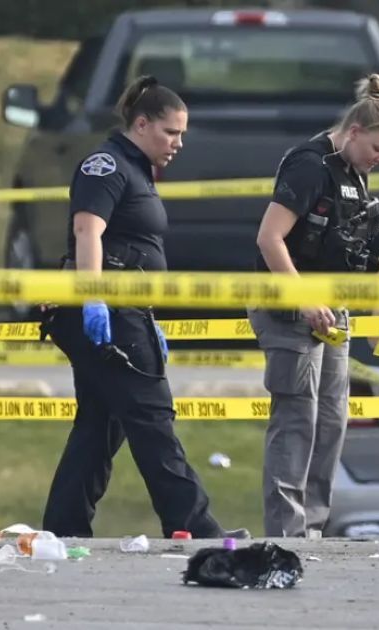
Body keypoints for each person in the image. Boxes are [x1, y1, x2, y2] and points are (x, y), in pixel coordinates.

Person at [40, 75, 238, 540]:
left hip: (128, 310)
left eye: (182, 134)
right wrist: (93, 299)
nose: (179, 143)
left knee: (101, 425)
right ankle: (193, 524)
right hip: (110, 307)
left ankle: (65, 527)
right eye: (172, 132)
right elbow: (88, 231)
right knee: (152, 416)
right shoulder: (107, 165)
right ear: (142, 124)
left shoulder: (137, 167)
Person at [250, 74, 379, 538]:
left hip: (333, 311)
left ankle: (314, 528)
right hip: (288, 307)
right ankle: (286, 533)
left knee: (331, 420)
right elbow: (269, 238)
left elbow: (367, 250)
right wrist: (303, 300)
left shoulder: (355, 173)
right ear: (355, 132)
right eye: (378, 150)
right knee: (297, 418)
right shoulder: (310, 165)